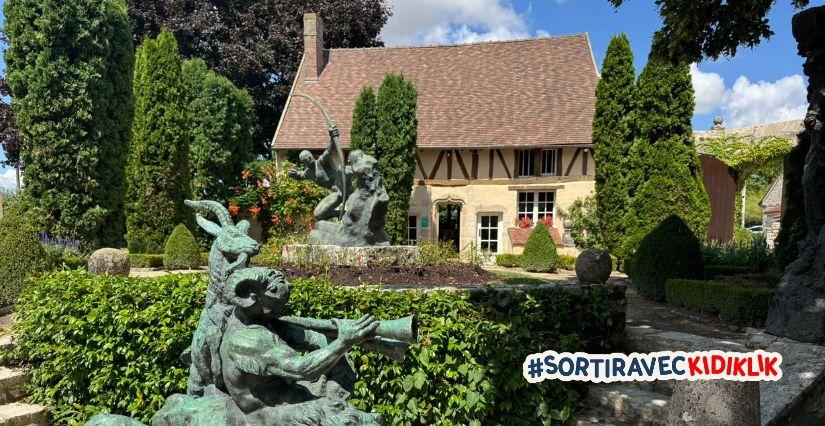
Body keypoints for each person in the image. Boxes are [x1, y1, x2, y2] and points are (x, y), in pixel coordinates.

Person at [219, 268, 382, 425]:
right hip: (267, 412)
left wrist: (343, 335)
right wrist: (344, 341)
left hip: (288, 395)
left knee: (338, 365)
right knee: (328, 413)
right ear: (248, 296)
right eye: (274, 290)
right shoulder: (247, 340)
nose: (288, 288)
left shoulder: (260, 321)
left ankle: (339, 404)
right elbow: (301, 369)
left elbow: (311, 338)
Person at [288, 126, 350, 221]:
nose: (308, 158)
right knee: (317, 215)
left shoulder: (322, 161)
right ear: (304, 163)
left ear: (311, 156)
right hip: (335, 193)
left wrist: (333, 136)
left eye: (308, 156)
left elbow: (330, 149)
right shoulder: (309, 173)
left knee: (319, 214)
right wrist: (295, 175)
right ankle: (340, 214)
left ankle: (344, 215)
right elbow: (300, 176)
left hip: (342, 190)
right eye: (305, 159)